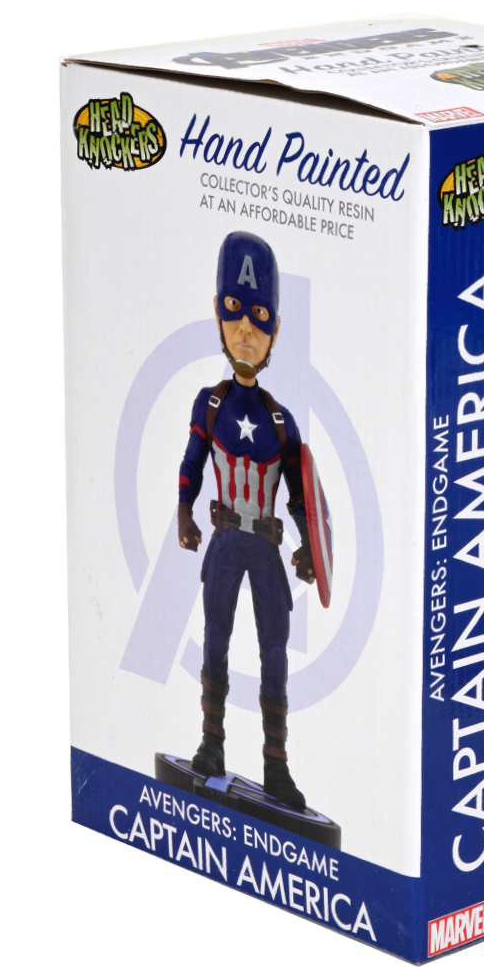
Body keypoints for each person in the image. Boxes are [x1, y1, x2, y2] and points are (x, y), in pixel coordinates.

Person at [176, 231, 315, 810]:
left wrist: (310, 547)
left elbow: (303, 499)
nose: (245, 330)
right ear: (217, 310)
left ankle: (275, 766)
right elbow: (190, 464)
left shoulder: (282, 422)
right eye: (234, 310)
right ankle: (211, 744)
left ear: (275, 328)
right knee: (216, 640)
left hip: (266, 551)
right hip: (227, 542)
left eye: (258, 317)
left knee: (274, 652)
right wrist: (183, 512)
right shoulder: (210, 404)